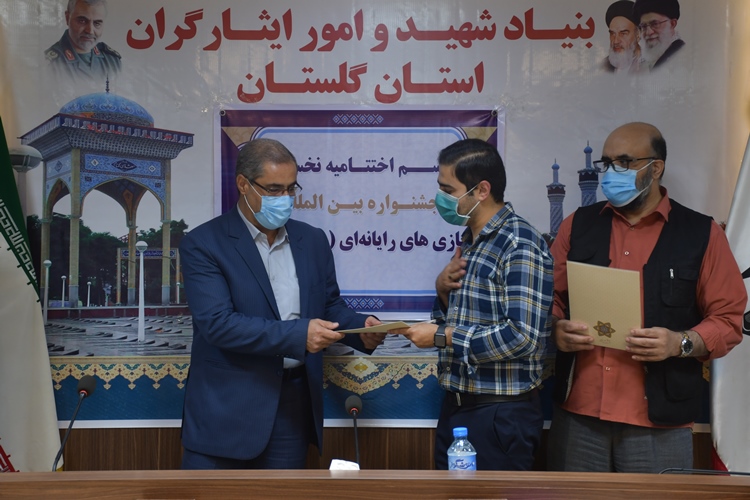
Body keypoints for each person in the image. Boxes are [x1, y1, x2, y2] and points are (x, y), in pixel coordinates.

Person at [547, 122, 746, 473]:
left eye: (625, 162)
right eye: (607, 163)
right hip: (579, 416)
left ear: (656, 168)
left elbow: (728, 320)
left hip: (659, 424)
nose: (612, 172)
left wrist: (679, 343)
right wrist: (555, 327)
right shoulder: (577, 225)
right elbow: (549, 297)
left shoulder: (701, 233)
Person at [179, 138, 385, 469]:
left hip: (291, 408)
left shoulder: (312, 240)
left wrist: (361, 329)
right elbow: (217, 324)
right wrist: (299, 335)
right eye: (274, 189)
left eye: (291, 188)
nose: (285, 199)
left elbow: (328, 306)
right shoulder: (204, 244)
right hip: (225, 411)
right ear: (243, 185)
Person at [391, 139, 554, 470]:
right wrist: (442, 292)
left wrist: (442, 336)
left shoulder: (519, 243)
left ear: (481, 190)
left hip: (500, 414)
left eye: (448, 190)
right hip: (457, 406)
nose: (439, 199)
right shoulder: (471, 242)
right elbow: (467, 319)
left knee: (496, 494)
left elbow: (522, 337)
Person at [45, 0, 121, 82]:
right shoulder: (49, 64)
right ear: (67, 18)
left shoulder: (112, 61)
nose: (90, 31)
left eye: (97, 23)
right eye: (82, 21)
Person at [633, 0, 684, 70]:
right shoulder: (640, 62)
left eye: (655, 24)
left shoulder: (682, 56)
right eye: (644, 26)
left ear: (672, 24)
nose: (648, 32)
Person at [601, 1, 643, 74]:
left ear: (638, 34)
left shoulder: (653, 65)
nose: (616, 41)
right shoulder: (605, 65)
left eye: (623, 34)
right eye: (612, 34)